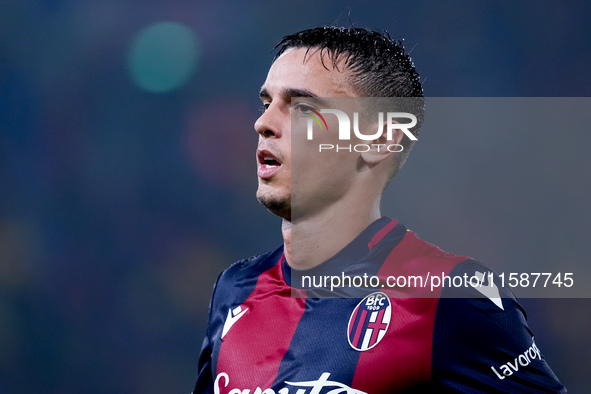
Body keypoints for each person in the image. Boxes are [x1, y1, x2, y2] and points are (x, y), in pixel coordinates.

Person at [193, 26, 566, 393]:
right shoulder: (234, 289)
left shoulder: (449, 297)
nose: (263, 123)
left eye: (303, 107)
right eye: (266, 103)